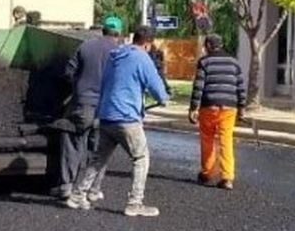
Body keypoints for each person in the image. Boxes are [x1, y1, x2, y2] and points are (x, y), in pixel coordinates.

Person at [66, 25, 168, 216]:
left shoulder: (115, 56)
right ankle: (135, 203)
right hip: (126, 117)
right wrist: (162, 99)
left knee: (98, 158)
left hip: (106, 115)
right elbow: (156, 86)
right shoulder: (142, 58)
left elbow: (104, 83)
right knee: (140, 158)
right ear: (146, 44)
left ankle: (78, 195)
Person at [53, 15, 123, 200]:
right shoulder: (120, 52)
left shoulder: (86, 46)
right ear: (119, 33)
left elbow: (68, 72)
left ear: (103, 30)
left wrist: (78, 88)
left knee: (72, 141)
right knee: (99, 149)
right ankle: (93, 190)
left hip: (82, 105)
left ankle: (67, 186)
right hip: (107, 110)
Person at [188, 34, 247, 189]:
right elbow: (240, 87)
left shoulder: (204, 62)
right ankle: (227, 177)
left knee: (207, 139)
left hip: (209, 106)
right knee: (226, 140)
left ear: (208, 45)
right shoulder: (234, 62)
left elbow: (199, 86)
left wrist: (193, 108)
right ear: (221, 45)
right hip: (229, 107)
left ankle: (207, 173)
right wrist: (242, 108)